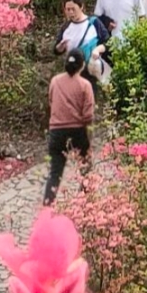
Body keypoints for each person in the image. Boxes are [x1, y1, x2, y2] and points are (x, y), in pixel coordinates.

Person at [43, 52, 94, 206]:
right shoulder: (85, 85)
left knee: (55, 172)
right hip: (77, 131)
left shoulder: (55, 81)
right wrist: (89, 139)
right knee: (85, 168)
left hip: (56, 132)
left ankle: (47, 206)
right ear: (82, 65)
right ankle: (85, 204)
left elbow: (51, 102)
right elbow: (88, 115)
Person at [54, 0, 108, 74]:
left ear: (81, 7)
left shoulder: (94, 23)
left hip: (91, 68)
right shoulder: (66, 27)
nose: (71, 12)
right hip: (73, 70)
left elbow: (108, 42)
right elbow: (57, 50)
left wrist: (97, 50)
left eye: (73, 9)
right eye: (68, 9)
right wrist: (60, 47)